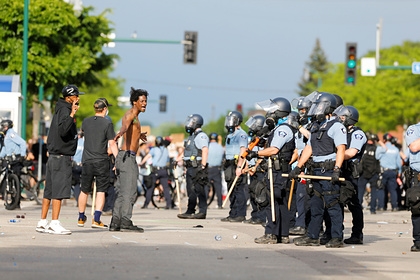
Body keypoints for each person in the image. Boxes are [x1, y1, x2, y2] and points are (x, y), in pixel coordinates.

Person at [290, 92, 347, 248]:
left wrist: (337, 169)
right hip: (315, 172)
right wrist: (298, 167)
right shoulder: (316, 126)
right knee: (315, 205)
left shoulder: (337, 126)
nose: (315, 109)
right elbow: (309, 148)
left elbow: (341, 149)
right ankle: (313, 236)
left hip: (328, 170)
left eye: (319, 105)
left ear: (328, 107)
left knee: (333, 205)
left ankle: (336, 237)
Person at [35, 84, 84, 235]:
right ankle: (54, 223)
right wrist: (73, 114)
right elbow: (63, 130)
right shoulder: (65, 110)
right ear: (69, 97)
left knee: (49, 190)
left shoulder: (59, 108)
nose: (78, 98)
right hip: (61, 157)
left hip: (54, 156)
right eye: (76, 96)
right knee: (58, 190)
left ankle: (42, 222)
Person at [248, 98, 296, 244]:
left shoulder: (283, 129)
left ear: (278, 112)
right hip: (278, 170)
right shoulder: (278, 129)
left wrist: (256, 154)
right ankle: (283, 234)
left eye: (272, 112)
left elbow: (274, 150)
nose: (269, 114)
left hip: (278, 171)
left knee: (272, 202)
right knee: (280, 202)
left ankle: (271, 234)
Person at [109, 87, 148, 232]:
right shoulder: (131, 114)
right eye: (142, 101)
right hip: (127, 157)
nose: (144, 104)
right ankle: (125, 221)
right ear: (134, 102)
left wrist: (139, 135)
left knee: (122, 191)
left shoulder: (136, 117)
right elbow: (125, 125)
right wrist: (121, 132)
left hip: (124, 157)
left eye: (145, 101)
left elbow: (130, 128)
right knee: (130, 191)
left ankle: (115, 222)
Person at [77, 98, 119, 229]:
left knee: (84, 190)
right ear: (105, 109)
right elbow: (112, 143)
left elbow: (83, 134)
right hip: (101, 160)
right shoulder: (107, 124)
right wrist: (117, 160)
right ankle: (96, 219)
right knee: (101, 190)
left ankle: (81, 217)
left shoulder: (86, 122)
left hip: (87, 160)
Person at [333, 105, 366, 245]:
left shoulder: (357, 134)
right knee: (336, 202)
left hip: (350, 173)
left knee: (353, 204)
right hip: (339, 169)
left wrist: (335, 157)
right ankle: (336, 232)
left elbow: (352, 152)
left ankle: (357, 234)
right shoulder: (341, 131)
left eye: (342, 117)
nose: (340, 119)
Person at [177, 114, 209, 219]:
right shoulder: (192, 136)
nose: (188, 124)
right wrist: (178, 160)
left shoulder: (201, 136)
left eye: (191, 122)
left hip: (197, 167)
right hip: (190, 167)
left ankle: (202, 211)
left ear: (196, 123)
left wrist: (203, 166)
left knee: (199, 190)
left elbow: (205, 150)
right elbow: (188, 151)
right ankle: (190, 210)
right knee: (190, 190)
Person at [221, 111, 248, 223]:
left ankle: (240, 214)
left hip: (237, 163)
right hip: (229, 163)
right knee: (230, 189)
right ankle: (233, 213)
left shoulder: (241, 134)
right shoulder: (229, 135)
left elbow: (243, 151)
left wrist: (239, 166)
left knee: (239, 189)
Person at [243, 115, 268, 225]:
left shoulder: (264, 139)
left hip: (260, 170)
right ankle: (255, 215)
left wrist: (255, 166)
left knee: (260, 193)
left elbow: (262, 156)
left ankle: (262, 217)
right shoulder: (254, 139)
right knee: (252, 192)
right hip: (252, 170)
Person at [0, 119, 27, 209]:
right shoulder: (6, 135)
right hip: (10, 159)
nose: (2, 128)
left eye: (3, 126)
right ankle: (13, 201)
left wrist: (22, 155)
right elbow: (5, 148)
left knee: (16, 181)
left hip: (16, 159)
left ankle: (17, 202)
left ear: (7, 126)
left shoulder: (11, 134)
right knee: (11, 181)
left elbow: (22, 143)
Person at [141, 136, 172, 209]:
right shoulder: (165, 149)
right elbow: (168, 159)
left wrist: (141, 163)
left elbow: (148, 156)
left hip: (156, 171)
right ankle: (169, 204)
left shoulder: (154, 149)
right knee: (166, 188)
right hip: (164, 170)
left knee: (150, 187)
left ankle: (146, 204)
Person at [404, 121, 420, 252]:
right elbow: (414, 147)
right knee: (417, 208)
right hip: (418, 176)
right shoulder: (414, 129)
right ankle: (418, 240)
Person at [376, 133, 402, 211]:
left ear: (384, 140)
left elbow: (377, 157)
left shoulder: (382, 148)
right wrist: (399, 172)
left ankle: (381, 206)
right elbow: (399, 163)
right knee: (392, 189)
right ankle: (394, 206)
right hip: (393, 171)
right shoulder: (396, 149)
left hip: (383, 171)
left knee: (381, 188)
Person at [358, 132, 382, 214]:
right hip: (373, 172)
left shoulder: (362, 148)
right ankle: (373, 209)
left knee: (360, 191)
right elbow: (385, 149)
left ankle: (358, 207)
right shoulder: (377, 148)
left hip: (363, 172)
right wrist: (379, 141)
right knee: (374, 191)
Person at [207, 133, 225, 209]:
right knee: (218, 187)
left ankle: (204, 202)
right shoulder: (220, 147)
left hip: (208, 168)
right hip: (217, 169)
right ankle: (220, 204)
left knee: (206, 186)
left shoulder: (207, 146)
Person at [71, 131, 84, 204]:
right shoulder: (85, 143)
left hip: (75, 164)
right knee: (83, 182)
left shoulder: (75, 143)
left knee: (76, 183)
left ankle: (77, 199)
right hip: (82, 164)